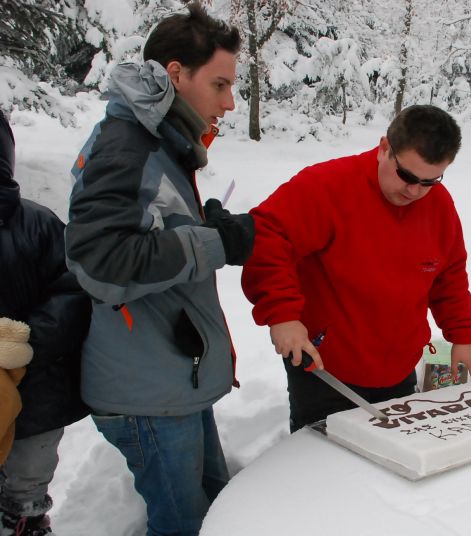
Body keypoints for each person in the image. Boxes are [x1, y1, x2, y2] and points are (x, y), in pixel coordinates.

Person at [64, 3, 253, 534]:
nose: (229, 102)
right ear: (175, 74)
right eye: (219, 84)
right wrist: (211, 242)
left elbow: (148, 226)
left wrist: (199, 223)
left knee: (220, 508)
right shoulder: (129, 144)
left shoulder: (158, 137)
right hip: (145, 392)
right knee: (185, 525)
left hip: (168, 376)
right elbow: (98, 262)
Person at [242, 104, 471, 432]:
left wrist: (462, 337)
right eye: (406, 176)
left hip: (397, 371)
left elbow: (449, 273)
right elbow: (267, 235)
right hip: (325, 371)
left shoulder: (438, 205)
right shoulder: (327, 187)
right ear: (385, 148)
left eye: (429, 181)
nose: (414, 191)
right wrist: (282, 314)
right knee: (323, 468)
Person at [0, 111, 92, 536]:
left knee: (26, 484)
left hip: (37, 391)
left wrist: (29, 340)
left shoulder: (36, 224)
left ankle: (26, 520)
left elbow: (74, 291)